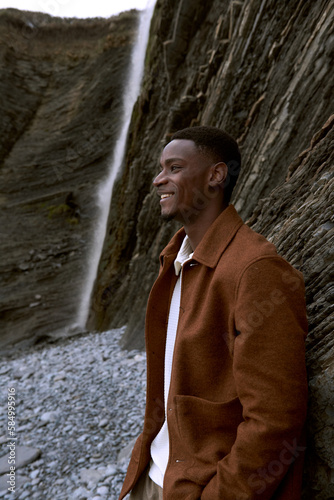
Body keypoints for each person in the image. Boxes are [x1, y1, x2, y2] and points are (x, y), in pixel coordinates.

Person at [119, 126, 308, 500]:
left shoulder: (254, 269)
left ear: (216, 176)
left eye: (173, 167)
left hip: (200, 487)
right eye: (160, 169)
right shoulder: (176, 260)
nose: (159, 180)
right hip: (153, 475)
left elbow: (276, 418)